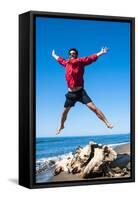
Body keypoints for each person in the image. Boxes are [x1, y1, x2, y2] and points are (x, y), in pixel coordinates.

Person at [52, 47, 113, 134]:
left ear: (76, 55)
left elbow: (91, 58)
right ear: (69, 56)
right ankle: (61, 125)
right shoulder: (66, 63)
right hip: (71, 94)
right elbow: (59, 59)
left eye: (74, 54)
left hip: (81, 92)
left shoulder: (81, 61)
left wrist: (101, 52)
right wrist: (54, 55)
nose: (72, 55)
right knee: (64, 112)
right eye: (70, 54)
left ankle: (107, 123)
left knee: (94, 108)